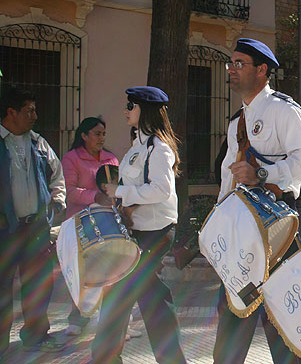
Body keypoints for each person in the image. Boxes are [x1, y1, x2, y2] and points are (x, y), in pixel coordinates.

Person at [213, 38, 301, 364]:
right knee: (232, 312)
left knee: (280, 320)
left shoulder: (283, 110)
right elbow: (229, 178)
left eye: (239, 63)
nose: (231, 69)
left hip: (276, 228)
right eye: (230, 63)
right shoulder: (237, 121)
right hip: (240, 229)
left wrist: (263, 174)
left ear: (262, 70)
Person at [91, 86, 186, 364]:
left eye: (130, 106)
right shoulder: (137, 148)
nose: (126, 111)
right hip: (137, 230)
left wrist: (121, 193)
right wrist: (120, 198)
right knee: (140, 294)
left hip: (155, 232)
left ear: (144, 110)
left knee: (129, 293)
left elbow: (161, 191)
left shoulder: (159, 149)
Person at [61, 117, 142, 340]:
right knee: (83, 270)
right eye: (96, 133)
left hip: (108, 220)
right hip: (82, 221)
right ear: (84, 135)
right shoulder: (72, 158)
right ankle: (78, 319)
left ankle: (118, 325)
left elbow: (120, 184)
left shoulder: (111, 158)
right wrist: (94, 196)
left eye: (103, 134)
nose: (101, 138)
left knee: (112, 272)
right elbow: (69, 190)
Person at [0, 86, 66, 353]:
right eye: (29, 110)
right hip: (5, 232)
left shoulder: (38, 142)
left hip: (36, 228)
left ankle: (36, 335)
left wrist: (58, 201)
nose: (35, 115)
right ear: (11, 113)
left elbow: (57, 174)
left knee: (39, 284)